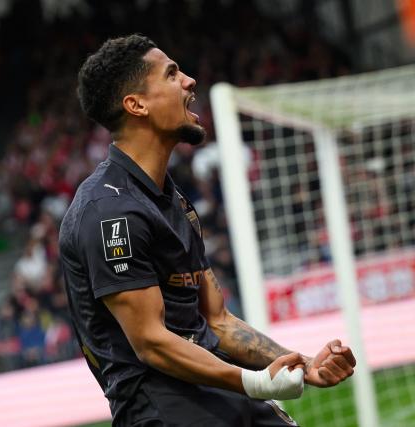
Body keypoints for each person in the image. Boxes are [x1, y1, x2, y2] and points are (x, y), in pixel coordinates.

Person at [58, 34, 356, 426]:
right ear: (137, 104)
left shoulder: (172, 199)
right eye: (171, 74)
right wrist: (254, 383)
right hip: (163, 409)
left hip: (214, 389)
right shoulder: (110, 212)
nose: (189, 81)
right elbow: (151, 343)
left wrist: (304, 364)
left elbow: (217, 321)